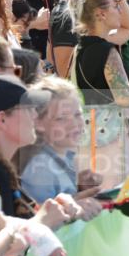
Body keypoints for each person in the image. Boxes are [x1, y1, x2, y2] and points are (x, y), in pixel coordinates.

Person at [18, 76, 102, 214]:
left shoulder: (64, 156)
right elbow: (40, 219)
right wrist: (75, 205)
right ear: (38, 122)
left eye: (77, 114)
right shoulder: (40, 170)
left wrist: (80, 188)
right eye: (61, 118)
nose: (74, 124)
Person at [66, 0, 129, 107]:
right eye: (115, 7)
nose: (120, 11)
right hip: (108, 119)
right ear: (101, 14)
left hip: (89, 118)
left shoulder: (79, 48)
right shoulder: (107, 50)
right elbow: (125, 98)